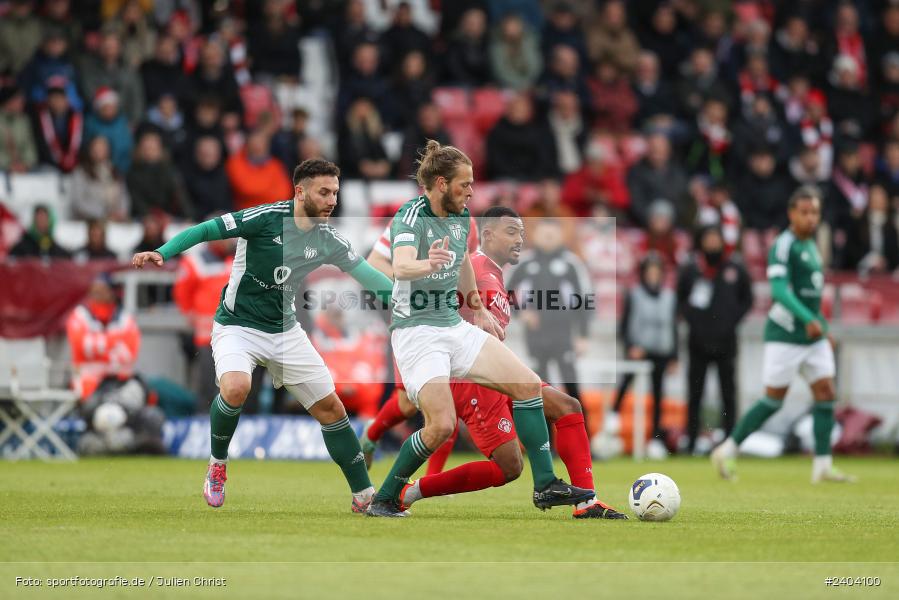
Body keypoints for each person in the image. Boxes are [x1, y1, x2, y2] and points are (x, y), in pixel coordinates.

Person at [132, 158, 395, 512]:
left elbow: (368, 276)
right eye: (324, 191)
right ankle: (217, 465)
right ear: (300, 192)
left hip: (285, 332)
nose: (332, 199)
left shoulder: (328, 239)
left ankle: (364, 496)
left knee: (332, 409)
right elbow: (206, 230)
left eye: (335, 192)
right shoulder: (264, 218)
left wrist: (408, 302)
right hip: (237, 326)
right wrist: (162, 252)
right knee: (237, 387)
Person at [367, 141, 594, 517]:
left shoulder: (460, 217)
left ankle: (545, 485)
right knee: (441, 426)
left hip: (454, 326)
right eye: (464, 184)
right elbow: (402, 265)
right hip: (417, 332)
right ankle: (386, 496)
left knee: (525, 385)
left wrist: (478, 309)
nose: (471, 191)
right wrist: (429, 263)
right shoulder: (410, 217)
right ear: (440, 184)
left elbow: (463, 265)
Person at [712, 186, 855, 484]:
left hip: (812, 336)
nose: (811, 218)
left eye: (815, 212)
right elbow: (779, 291)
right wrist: (807, 320)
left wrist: (822, 328)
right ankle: (727, 449)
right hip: (786, 335)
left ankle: (823, 465)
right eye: (805, 212)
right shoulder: (784, 245)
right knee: (774, 400)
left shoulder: (812, 247)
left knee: (826, 393)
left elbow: (813, 297)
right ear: (792, 214)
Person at [678, 226, 753, 454]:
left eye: (715, 238)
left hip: (726, 342)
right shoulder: (692, 269)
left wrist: (730, 320)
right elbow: (680, 299)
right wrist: (695, 321)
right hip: (698, 342)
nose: (712, 243)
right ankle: (691, 441)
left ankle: (731, 440)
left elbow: (747, 299)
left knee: (728, 392)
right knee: (694, 393)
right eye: (708, 238)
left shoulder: (735, 268)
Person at [506, 218, 591, 403]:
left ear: (560, 236)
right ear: (535, 235)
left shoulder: (572, 264)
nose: (548, 237)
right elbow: (505, 293)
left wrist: (583, 335)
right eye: (544, 233)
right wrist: (522, 313)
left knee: (572, 387)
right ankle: (547, 433)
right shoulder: (524, 263)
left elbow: (583, 299)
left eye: (552, 234)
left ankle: (583, 431)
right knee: (540, 388)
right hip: (536, 336)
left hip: (563, 335)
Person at [611, 252, 677, 460]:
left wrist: (675, 355)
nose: (653, 275)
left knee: (658, 394)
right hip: (638, 350)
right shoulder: (634, 293)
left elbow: (673, 327)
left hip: (661, 352)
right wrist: (631, 346)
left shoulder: (669, 296)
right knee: (625, 384)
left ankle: (656, 437)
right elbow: (624, 325)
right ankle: (611, 420)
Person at [173, 234, 235, 411]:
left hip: (236, 336)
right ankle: (203, 423)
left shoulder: (238, 257)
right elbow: (182, 292)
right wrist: (190, 315)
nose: (229, 241)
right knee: (207, 385)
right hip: (207, 337)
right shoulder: (195, 262)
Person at [70, 136, 130, 222]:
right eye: (96, 147)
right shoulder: (80, 173)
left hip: (116, 221)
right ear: (89, 150)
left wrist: (121, 213)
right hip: (89, 222)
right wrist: (103, 214)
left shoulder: (115, 172)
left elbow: (124, 197)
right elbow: (78, 203)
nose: (98, 151)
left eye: (102, 147)